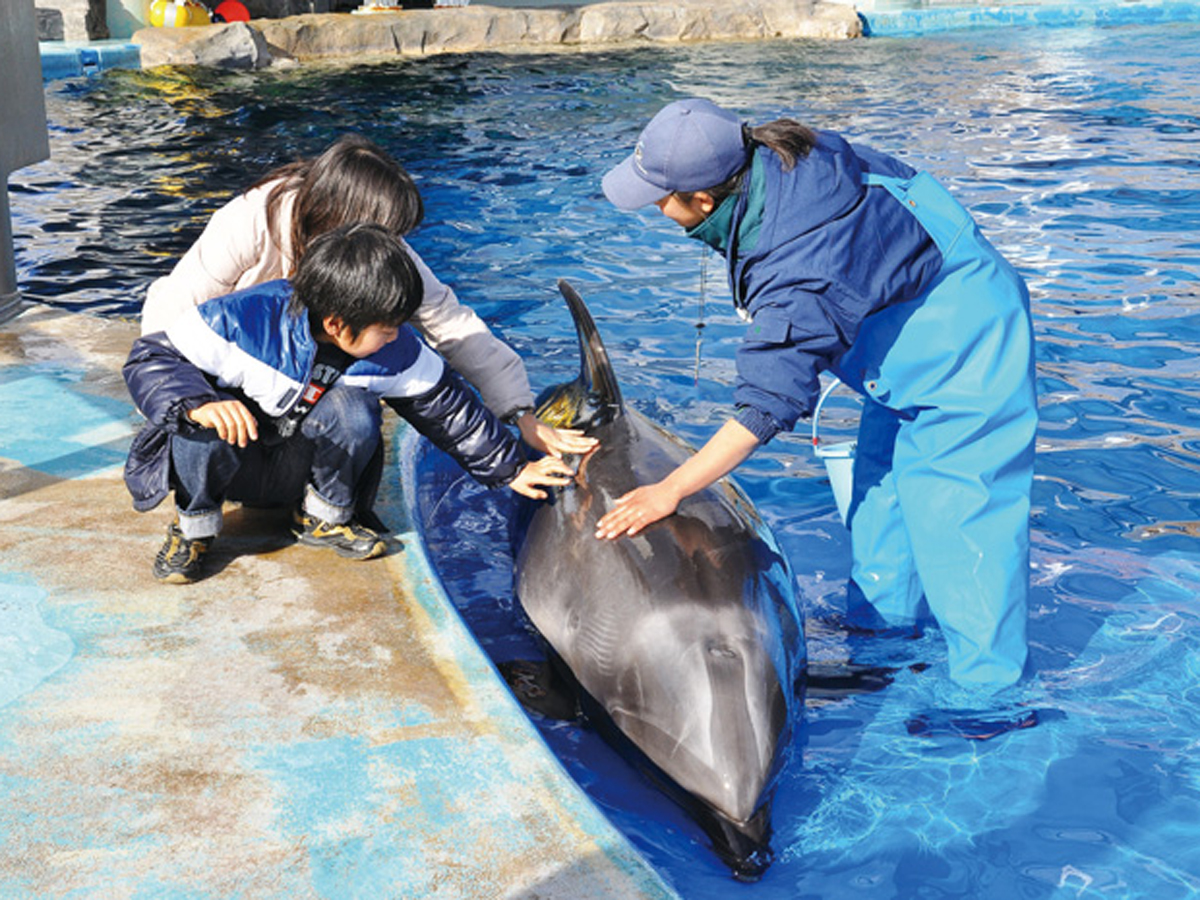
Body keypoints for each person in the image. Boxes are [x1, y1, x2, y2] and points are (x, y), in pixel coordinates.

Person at [594, 98, 1037, 692]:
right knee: (882, 501)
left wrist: (670, 489)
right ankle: (884, 639)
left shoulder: (799, 266)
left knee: (960, 522)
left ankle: (992, 700)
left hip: (969, 344)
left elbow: (764, 410)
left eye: (660, 198)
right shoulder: (778, 153)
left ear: (703, 200)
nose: (655, 208)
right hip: (899, 338)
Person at [124, 222, 575, 584]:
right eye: (387, 328)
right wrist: (198, 403)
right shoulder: (241, 321)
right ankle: (194, 529)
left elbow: (449, 409)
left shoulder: (396, 351)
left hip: (295, 470)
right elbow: (150, 358)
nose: (396, 336)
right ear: (337, 324)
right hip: (233, 466)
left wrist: (511, 469)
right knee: (198, 422)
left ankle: (322, 518)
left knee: (355, 411)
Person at [140, 133, 594, 461]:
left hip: (314, 382)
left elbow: (449, 322)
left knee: (357, 407)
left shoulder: (378, 250)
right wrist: (186, 400)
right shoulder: (254, 220)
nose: (396, 248)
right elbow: (173, 312)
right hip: (241, 375)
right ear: (340, 217)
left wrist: (519, 411)